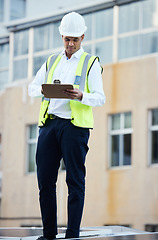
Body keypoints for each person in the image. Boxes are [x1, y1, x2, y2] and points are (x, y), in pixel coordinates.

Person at [28, 11, 105, 240]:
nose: (70, 44)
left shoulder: (90, 62)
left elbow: (100, 97)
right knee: (45, 183)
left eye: (75, 39)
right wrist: (44, 89)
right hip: (49, 127)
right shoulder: (52, 61)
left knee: (75, 181)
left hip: (74, 128)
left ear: (82, 38)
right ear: (61, 36)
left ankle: (72, 235)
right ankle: (48, 235)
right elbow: (32, 87)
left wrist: (81, 95)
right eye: (67, 39)